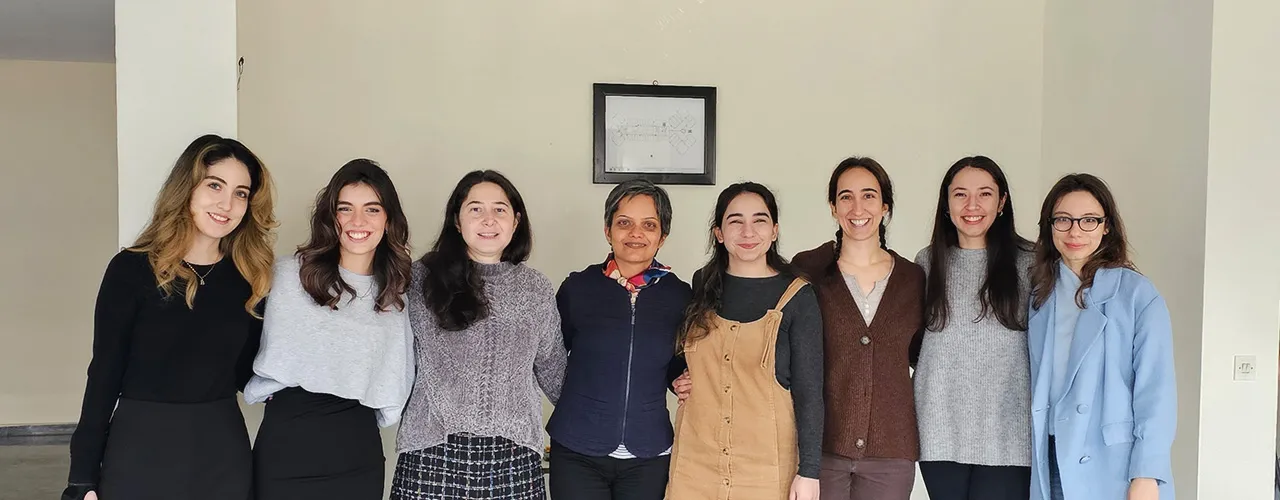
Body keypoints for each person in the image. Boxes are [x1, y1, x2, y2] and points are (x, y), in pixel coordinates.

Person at [62, 134, 277, 500]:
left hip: (222, 450)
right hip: (140, 447)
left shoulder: (250, 278)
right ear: (187, 188)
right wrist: (82, 476)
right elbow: (104, 374)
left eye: (241, 193)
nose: (227, 204)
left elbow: (250, 372)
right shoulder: (131, 269)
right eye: (215, 185)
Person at [244, 159, 415, 499]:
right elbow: (238, 345)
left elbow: (398, 379)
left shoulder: (395, 295)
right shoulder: (286, 276)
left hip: (357, 451)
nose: (357, 221)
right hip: (287, 446)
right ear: (330, 216)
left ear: (388, 220)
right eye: (345, 208)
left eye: (372, 209)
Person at [392, 170, 567, 500]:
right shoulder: (420, 279)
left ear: (516, 221)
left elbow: (554, 371)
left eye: (500, 209)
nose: (489, 219)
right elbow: (391, 355)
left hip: (514, 457)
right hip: (431, 452)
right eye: (475, 209)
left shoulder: (535, 289)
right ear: (457, 221)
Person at [665, 182, 824, 500]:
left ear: (774, 230)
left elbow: (809, 393)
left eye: (759, 220)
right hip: (694, 466)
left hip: (766, 470)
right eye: (735, 221)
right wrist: (675, 377)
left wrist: (809, 472)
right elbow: (678, 354)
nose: (748, 232)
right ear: (719, 233)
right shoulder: (702, 284)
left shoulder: (798, 296)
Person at [1028, 173, 1176, 500]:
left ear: (1106, 226)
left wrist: (1147, 473)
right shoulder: (1039, 296)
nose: (1075, 231)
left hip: (1113, 464)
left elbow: (1156, 390)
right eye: (1063, 220)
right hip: (1050, 458)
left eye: (1089, 220)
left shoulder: (1136, 294)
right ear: (1049, 226)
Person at [546, 179, 692, 499]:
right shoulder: (578, 289)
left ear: (662, 236)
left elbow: (677, 360)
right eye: (624, 223)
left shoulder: (680, 296)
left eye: (649, 225)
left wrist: (679, 378)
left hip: (649, 452)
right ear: (608, 230)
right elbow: (550, 357)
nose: (635, 233)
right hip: (577, 450)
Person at [792, 156, 925, 500]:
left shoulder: (913, 279)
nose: (857, 208)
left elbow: (924, 356)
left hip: (891, 450)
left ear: (885, 206)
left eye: (868, 195)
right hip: (822, 449)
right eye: (846, 197)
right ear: (833, 207)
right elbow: (783, 343)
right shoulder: (808, 270)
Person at [913, 156, 1035, 499]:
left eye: (984, 194)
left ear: (1002, 202)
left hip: (1009, 436)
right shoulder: (926, 262)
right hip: (939, 432)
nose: (972, 206)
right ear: (946, 203)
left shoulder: (1031, 263)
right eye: (960, 195)